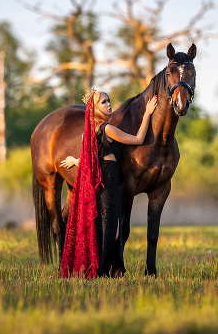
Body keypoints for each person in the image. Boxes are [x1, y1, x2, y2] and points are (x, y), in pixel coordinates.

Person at [59, 88, 157, 278]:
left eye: (108, 100)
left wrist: (75, 160)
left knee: (105, 224)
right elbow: (138, 139)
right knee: (112, 227)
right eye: (103, 102)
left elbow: (91, 160)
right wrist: (147, 114)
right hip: (109, 178)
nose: (108, 104)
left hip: (101, 177)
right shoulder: (107, 129)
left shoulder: (88, 132)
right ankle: (101, 269)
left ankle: (102, 267)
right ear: (94, 108)